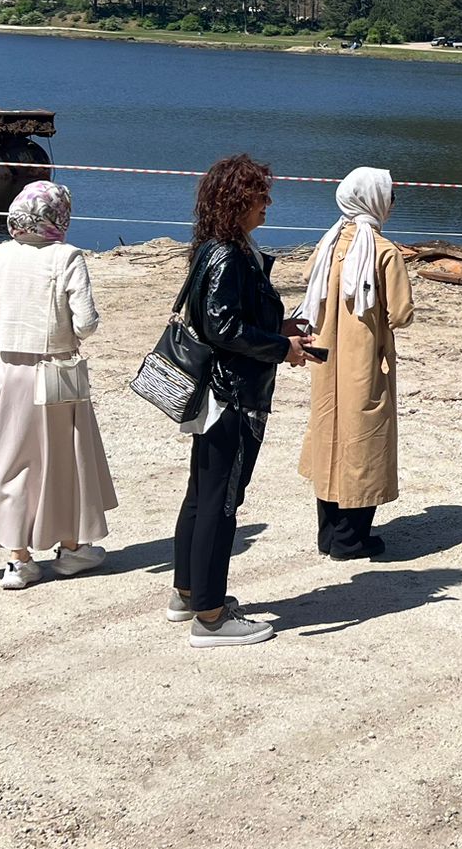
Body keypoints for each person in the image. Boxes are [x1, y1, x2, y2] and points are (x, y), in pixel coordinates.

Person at [171, 154, 313, 647]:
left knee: (203, 495)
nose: (267, 204)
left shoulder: (217, 247)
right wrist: (282, 348)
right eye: (260, 195)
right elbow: (223, 326)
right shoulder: (229, 253)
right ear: (238, 200)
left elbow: (230, 318)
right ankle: (210, 616)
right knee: (222, 500)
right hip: (231, 395)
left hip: (216, 391)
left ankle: (189, 592)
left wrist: (279, 329)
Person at [0, 180, 117, 590]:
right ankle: (70, 547)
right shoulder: (66, 256)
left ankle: (18, 558)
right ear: (59, 216)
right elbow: (86, 323)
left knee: (11, 461)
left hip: (9, 372)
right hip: (55, 372)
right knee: (62, 460)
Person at [297, 168, 417, 560]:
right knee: (365, 441)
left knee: (328, 437)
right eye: (390, 195)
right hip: (364, 360)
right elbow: (401, 314)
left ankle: (328, 533)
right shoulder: (383, 252)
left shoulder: (329, 244)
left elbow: (307, 281)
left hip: (323, 357)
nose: (393, 203)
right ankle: (351, 539)